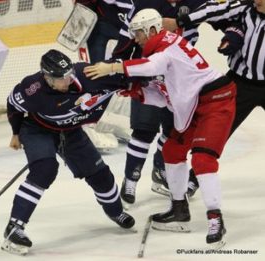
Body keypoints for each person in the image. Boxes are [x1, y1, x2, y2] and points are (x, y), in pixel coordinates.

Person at [84, 8, 236, 246]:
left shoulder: (166, 46)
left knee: (203, 160)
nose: (136, 38)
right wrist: (133, 91)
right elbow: (164, 95)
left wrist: (112, 67)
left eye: (139, 33)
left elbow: (150, 67)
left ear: (153, 29)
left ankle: (216, 218)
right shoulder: (161, 47)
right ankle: (179, 211)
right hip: (193, 104)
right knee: (172, 151)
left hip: (215, 100)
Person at [2, 49, 135, 255]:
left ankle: (116, 212)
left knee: (100, 175)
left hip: (69, 131)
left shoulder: (88, 74)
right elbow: (13, 105)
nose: (67, 80)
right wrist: (15, 133)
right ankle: (14, 228)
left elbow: (127, 73)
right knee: (45, 169)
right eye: (61, 78)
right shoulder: (32, 89)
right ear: (47, 77)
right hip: (38, 130)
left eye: (69, 75)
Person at [161, 0, 265, 196]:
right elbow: (212, 9)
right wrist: (180, 22)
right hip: (240, 84)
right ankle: (193, 179)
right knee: (215, 130)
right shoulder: (244, 8)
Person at [111, 0, 209, 206]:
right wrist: (119, 70)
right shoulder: (145, 3)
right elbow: (124, 44)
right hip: (145, 75)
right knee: (144, 130)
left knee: (174, 130)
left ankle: (160, 169)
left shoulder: (196, 4)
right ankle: (131, 179)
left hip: (176, 79)